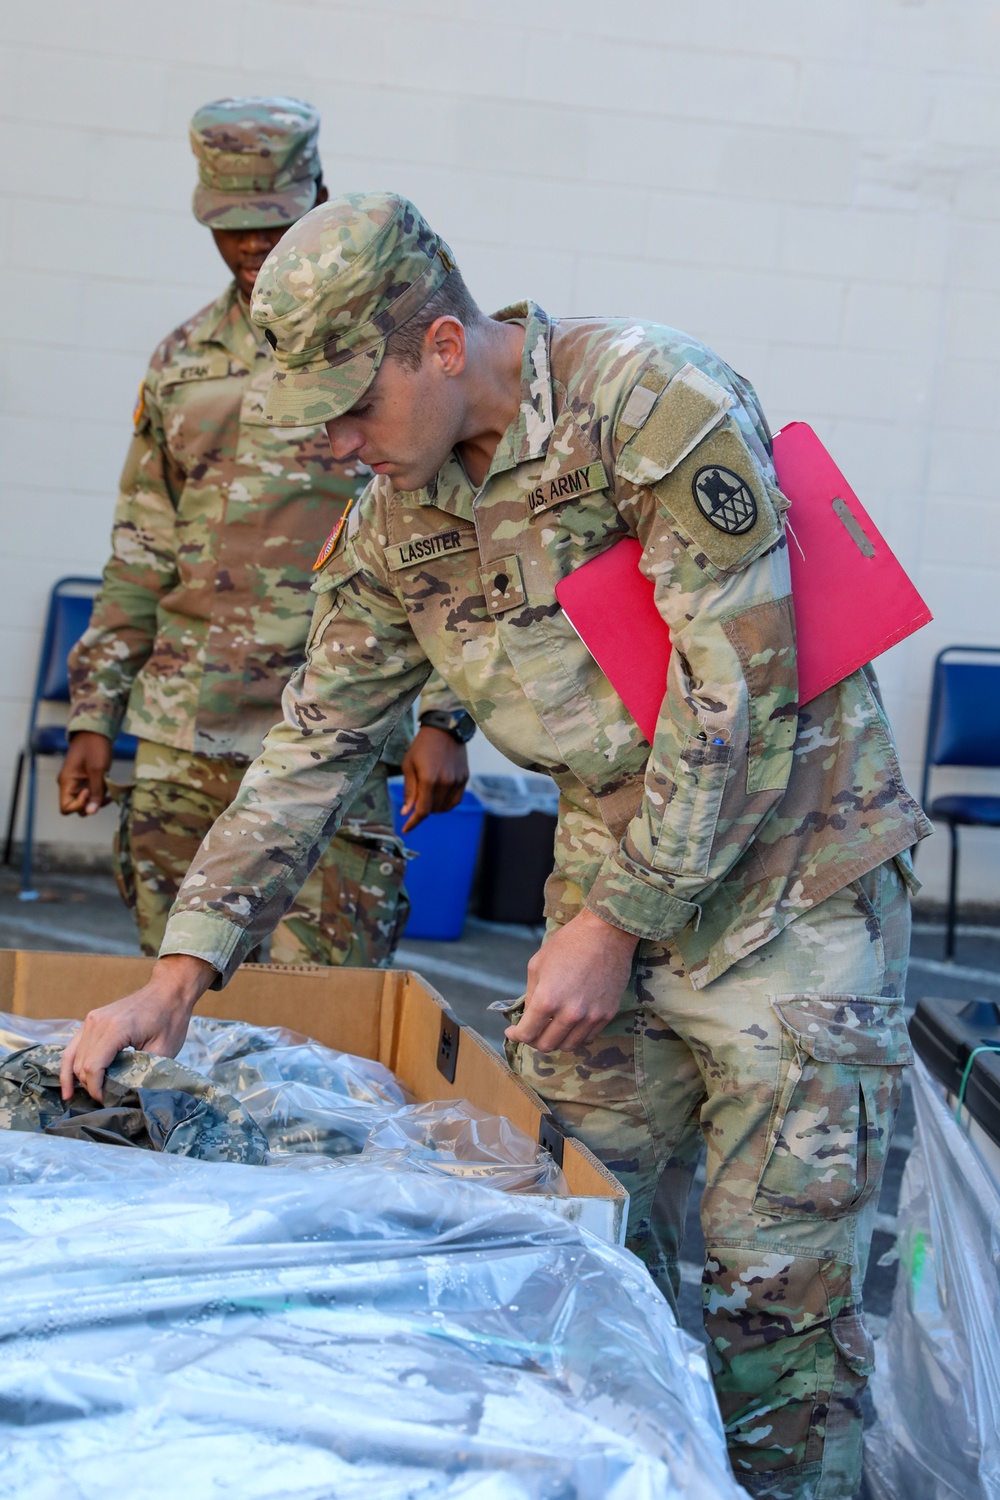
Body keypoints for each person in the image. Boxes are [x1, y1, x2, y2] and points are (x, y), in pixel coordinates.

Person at [62, 192, 932, 1499]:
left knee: (779, 1321)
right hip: (613, 886)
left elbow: (738, 692)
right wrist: (180, 970)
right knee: (548, 1242)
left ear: (443, 346)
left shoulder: (649, 406)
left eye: (358, 410)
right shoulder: (398, 522)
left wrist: (616, 919)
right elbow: (310, 745)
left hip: (794, 888)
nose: (346, 449)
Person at [58, 108, 473, 965]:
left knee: (321, 1019)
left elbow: (452, 535)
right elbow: (140, 550)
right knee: (174, 1008)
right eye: (231, 225)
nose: (251, 244)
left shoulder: (384, 354)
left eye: (272, 220)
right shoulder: (181, 362)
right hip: (182, 734)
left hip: (332, 732)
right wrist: (95, 714)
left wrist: (446, 717)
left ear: (316, 200)